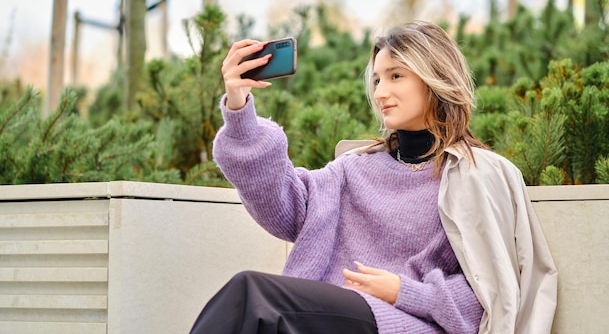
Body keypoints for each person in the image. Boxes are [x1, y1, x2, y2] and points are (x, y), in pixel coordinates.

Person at [189, 21, 558, 334]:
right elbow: (283, 207)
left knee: (252, 292)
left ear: (436, 78)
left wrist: (404, 291)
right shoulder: (355, 168)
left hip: (403, 324)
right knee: (251, 298)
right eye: (378, 79)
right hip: (328, 314)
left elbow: (489, 294)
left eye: (396, 76)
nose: (381, 92)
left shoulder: (475, 174)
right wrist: (238, 108)